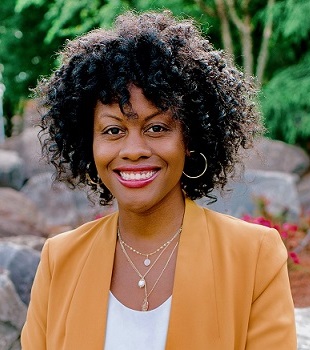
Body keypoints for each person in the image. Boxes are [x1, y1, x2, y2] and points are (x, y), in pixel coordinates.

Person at [21, 10, 297, 349]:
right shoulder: (59, 259)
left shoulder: (254, 255)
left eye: (157, 128)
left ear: (191, 139)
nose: (134, 149)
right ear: (87, 142)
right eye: (113, 130)